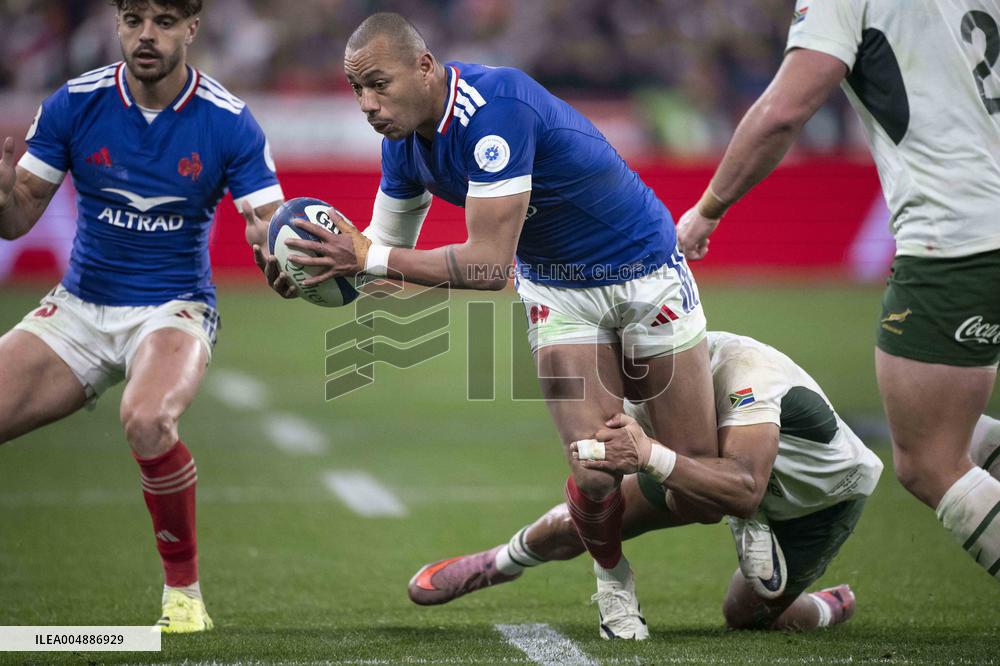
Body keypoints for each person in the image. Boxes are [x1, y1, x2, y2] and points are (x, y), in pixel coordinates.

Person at [252, 11, 716, 639]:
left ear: (424, 66)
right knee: (593, 466)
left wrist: (364, 257)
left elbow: (486, 265)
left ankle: (745, 511)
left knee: (697, 486)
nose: (367, 103)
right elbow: (382, 266)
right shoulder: (402, 148)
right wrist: (317, 276)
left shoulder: (495, 107)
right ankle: (613, 584)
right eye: (357, 89)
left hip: (646, 269)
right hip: (558, 288)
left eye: (378, 84)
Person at [674, 0, 1000, 583]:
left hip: (961, 237)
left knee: (930, 460)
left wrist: (707, 209)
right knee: (950, 425)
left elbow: (784, 110)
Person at [0, 0, 286, 632]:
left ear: (192, 27)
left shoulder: (229, 122)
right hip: (78, 308)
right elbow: (19, 216)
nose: (145, 35)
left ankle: (183, 597)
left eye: (162, 21)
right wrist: (1, 193)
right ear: (117, 25)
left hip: (173, 307)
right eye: (133, 20)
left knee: (149, 417)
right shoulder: (75, 103)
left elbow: (268, 224)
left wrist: (279, 257)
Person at [407, 331, 883, 631]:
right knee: (588, 519)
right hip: (711, 470)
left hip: (817, 497)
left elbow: (746, 484)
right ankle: (498, 562)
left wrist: (650, 453)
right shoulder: (633, 383)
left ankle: (824, 606)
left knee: (746, 615)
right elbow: (594, 488)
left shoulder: (746, 373)